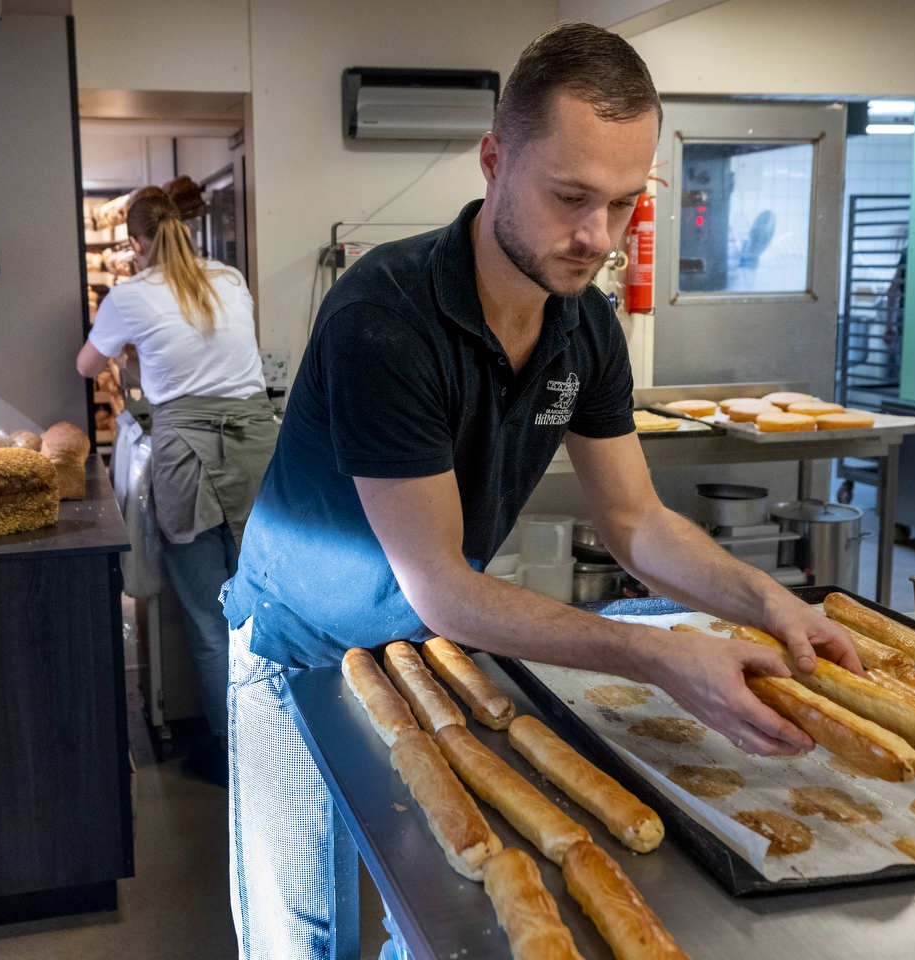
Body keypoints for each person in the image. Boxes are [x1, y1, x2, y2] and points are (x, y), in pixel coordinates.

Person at [220, 22, 860, 959]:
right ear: (493, 160)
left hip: (425, 650)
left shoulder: (584, 326)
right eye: (569, 198)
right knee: (301, 931)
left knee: (437, 909)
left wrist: (769, 601)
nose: (596, 238)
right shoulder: (385, 317)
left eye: (622, 205)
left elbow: (637, 522)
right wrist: (661, 657)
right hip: (301, 651)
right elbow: (441, 579)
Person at [77, 187, 277, 784]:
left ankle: (233, 751)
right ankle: (285, 737)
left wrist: (129, 356)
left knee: (209, 617)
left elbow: (86, 366)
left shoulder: (129, 295)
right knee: (264, 607)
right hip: (257, 447)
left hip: (185, 454)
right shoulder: (231, 279)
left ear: (136, 244)